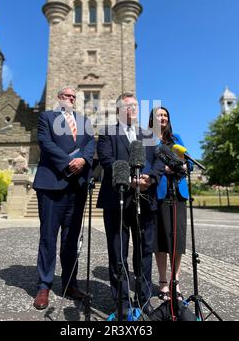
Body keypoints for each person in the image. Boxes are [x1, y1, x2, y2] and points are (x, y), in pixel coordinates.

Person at [97, 92, 164, 317]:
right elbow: (107, 160)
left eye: (135, 106)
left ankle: (144, 300)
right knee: (118, 254)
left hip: (145, 201)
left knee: (144, 253)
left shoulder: (149, 134)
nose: (133, 109)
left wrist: (150, 179)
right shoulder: (108, 133)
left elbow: (158, 162)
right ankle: (122, 303)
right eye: (128, 106)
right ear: (118, 110)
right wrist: (128, 179)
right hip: (117, 200)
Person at [32, 86, 95, 310]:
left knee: (72, 239)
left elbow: (90, 144)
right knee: (48, 237)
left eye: (74, 97)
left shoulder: (84, 120)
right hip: (52, 184)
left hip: (77, 188)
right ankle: (44, 286)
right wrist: (69, 163)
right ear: (59, 98)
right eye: (67, 96)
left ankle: (70, 283)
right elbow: (46, 143)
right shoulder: (47, 117)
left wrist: (84, 161)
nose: (71, 99)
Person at [148, 106, 191, 301]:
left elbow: (189, 163)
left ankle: (176, 282)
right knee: (161, 240)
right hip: (159, 193)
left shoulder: (177, 139)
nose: (163, 118)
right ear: (153, 119)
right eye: (159, 115)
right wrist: (163, 168)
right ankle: (163, 282)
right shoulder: (147, 139)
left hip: (178, 194)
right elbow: (147, 164)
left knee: (178, 241)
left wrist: (181, 165)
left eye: (165, 115)